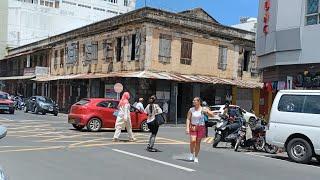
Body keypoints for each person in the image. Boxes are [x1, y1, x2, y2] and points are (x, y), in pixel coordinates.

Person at [186, 97, 214, 163]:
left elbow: (212, 115)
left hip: (201, 127)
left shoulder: (203, 109)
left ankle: (196, 156)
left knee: (198, 142)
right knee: (193, 141)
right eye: (193, 100)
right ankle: (191, 153)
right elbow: (188, 119)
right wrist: (187, 128)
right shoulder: (191, 110)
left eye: (195, 100)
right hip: (193, 127)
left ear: (199, 102)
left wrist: (207, 112)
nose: (193, 101)